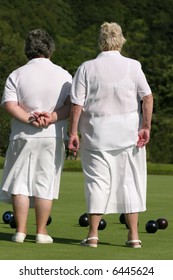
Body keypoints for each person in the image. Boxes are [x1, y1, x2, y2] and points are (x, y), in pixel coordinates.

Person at [68, 22, 153, 248]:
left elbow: (77, 104)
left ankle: (93, 235)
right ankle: (133, 236)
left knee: (97, 184)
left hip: (96, 135)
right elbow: (147, 97)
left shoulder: (86, 67)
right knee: (130, 184)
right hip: (128, 136)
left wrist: (72, 132)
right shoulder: (134, 66)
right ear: (121, 40)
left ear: (100, 41)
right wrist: (146, 126)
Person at [0, 29, 72, 243]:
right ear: (50, 49)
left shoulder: (17, 74)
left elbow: (10, 105)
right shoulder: (63, 75)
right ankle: (41, 232)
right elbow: (71, 105)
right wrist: (51, 117)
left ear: (27, 50)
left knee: (20, 182)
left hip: (22, 134)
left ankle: (20, 231)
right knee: (45, 183)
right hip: (52, 135)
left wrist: (30, 119)